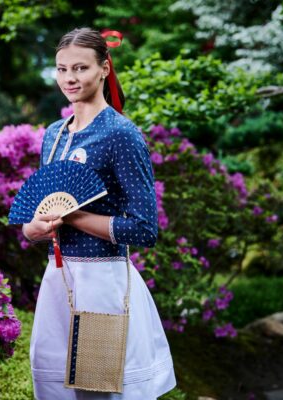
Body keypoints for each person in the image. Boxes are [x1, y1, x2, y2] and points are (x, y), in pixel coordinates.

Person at [22, 27, 176, 399]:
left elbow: (143, 229)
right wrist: (34, 227)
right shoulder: (54, 135)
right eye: (61, 69)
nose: (69, 78)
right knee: (53, 388)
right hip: (57, 280)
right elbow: (36, 219)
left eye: (80, 68)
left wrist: (74, 216)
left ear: (104, 68)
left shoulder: (121, 134)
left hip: (101, 283)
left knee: (96, 389)